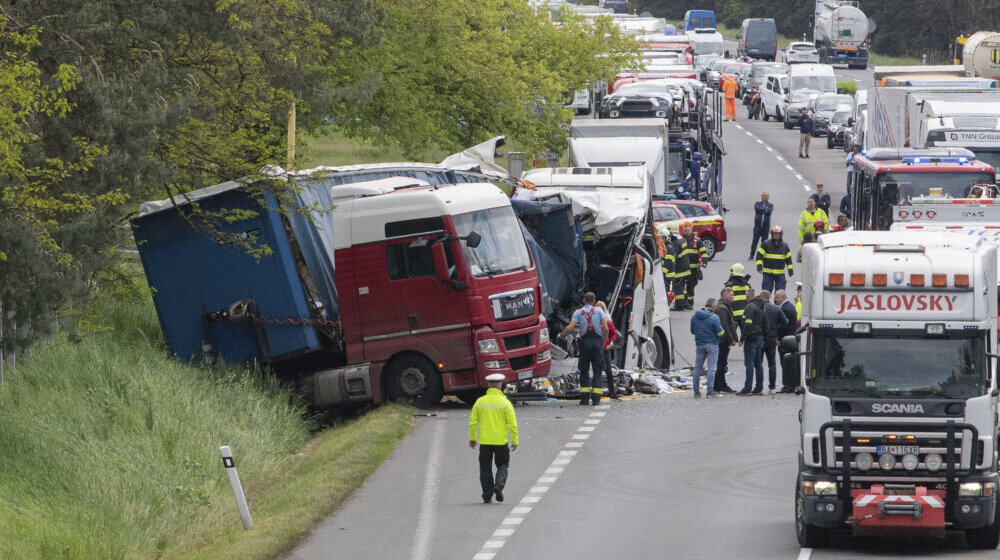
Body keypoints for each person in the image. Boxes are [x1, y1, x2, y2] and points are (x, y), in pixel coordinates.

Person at [469, 373, 519, 504]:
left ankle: (487, 494)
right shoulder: (505, 403)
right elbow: (512, 424)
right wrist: (515, 440)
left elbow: (473, 422)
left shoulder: (480, 402)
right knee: (503, 465)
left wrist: (472, 438)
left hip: (485, 442)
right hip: (500, 441)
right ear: (500, 385)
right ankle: (498, 486)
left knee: (485, 468)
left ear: (488, 385)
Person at [557, 292, 610, 405]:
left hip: (585, 343)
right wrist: (602, 341)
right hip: (597, 342)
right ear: (594, 301)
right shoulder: (599, 311)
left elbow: (570, 328)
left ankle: (585, 399)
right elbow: (605, 328)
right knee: (597, 371)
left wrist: (561, 335)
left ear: (584, 301)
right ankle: (596, 399)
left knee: (584, 371)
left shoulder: (578, 312)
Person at [690, 298, 725, 398]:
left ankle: (696, 391)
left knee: (697, 368)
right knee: (711, 368)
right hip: (712, 345)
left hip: (700, 344)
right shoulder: (714, 317)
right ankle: (710, 391)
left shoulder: (695, 317)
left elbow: (693, 331)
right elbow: (720, 332)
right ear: (713, 306)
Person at [739, 288, 769, 395]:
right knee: (758, 364)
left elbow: (747, 324)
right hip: (759, 337)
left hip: (751, 338)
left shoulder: (750, 307)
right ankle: (759, 388)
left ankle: (747, 389)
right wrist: (764, 338)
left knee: (749, 364)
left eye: (746, 297)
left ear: (749, 296)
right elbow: (766, 325)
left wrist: (742, 338)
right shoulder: (761, 307)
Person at [714, 287, 740, 393]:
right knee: (721, 363)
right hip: (723, 341)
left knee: (722, 363)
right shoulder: (722, 308)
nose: (733, 297)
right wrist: (731, 339)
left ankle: (719, 385)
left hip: (724, 341)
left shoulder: (726, 306)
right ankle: (720, 385)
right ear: (725, 296)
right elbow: (724, 325)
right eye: (731, 295)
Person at [675, 223, 705, 310]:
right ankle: (685, 303)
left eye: (688, 230)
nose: (687, 232)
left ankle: (690, 303)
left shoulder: (697, 241)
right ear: (682, 231)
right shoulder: (680, 240)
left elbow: (704, 252)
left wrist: (704, 262)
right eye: (685, 231)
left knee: (691, 287)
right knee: (681, 286)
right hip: (683, 269)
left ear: (691, 230)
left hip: (693, 269)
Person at [761, 289, 786, 393]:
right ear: (769, 297)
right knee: (772, 364)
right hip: (772, 338)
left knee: (759, 363)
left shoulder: (760, 309)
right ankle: (772, 387)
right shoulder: (776, 308)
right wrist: (776, 330)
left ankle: (759, 385)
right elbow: (784, 322)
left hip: (762, 338)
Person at [756, 225, 793, 292]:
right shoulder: (765, 244)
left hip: (780, 274)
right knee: (766, 292)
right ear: (772, 234)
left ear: (780, 235)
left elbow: (788, 260)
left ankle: (778, 302)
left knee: (780, 292)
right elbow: (759, 256)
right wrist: (759, 267)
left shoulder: (785, 246)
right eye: (775, 234)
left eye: (778, 234)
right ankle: (766, 303)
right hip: (767, 273)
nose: (776, 235)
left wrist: (790, 270)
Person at [595, 301, 620, 400]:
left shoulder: (607, 321)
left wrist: (611, 343)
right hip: (596, 349)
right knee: (597, 371)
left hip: (605, 349)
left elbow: (613, 333)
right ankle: (597, 392)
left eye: (601, 309)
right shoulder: (593, 321)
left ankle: (612, 391)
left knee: (608, 370)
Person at [775, 290, 799, 393]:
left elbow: (784, 326)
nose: (775, 300)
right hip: (790, 338)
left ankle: (789, 385)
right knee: (789, 362)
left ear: (783, 297)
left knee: (786, 363)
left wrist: (779, 338)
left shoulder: (785, 309)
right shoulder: (790, 306)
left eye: (777, 297)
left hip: (786, 340)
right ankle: (791, 384)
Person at [749, 191, 773, 260]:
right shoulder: (757, 203)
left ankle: (762, 256)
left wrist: (762, 210)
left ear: (768, 197)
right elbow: (757, 210)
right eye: (762, 196)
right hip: (757, 226)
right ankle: (751, 255)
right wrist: (764, 210)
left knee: (764, 242)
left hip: (765, 226)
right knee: (754, 241)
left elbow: (769, 212)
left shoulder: (770, 205)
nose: (764, 197)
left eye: (765, 196)